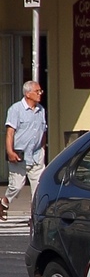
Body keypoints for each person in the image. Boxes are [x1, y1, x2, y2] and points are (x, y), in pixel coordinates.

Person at [3, 81, 47, 222]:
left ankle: (34, 216)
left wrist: (43, 149)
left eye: (40, 91)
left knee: (38, 187)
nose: (40, 93)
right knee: (16, 185)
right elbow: (10, 132)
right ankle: (4, 201)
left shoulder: (41, 110)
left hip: (36, 155)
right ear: (28, 94)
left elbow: (43, 131)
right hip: (19, 155)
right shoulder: (15, 109)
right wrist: (10, 151)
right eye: (37, 91)